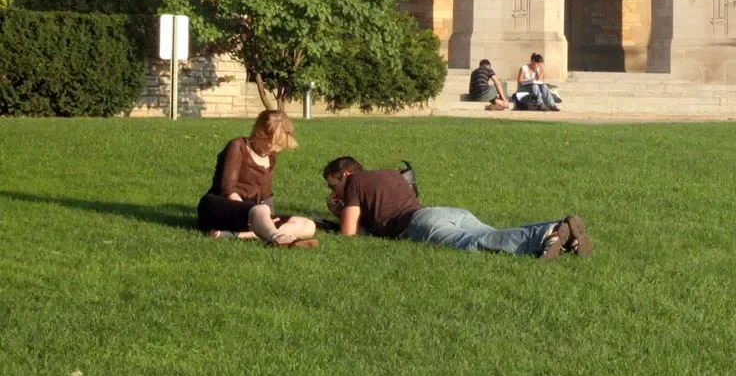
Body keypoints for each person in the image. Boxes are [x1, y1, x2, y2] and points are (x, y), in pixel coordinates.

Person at [321, 156, 592, 258]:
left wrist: (338, 212)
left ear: (344, 175)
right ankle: (562, 235)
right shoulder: (390, 174)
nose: (334, 193)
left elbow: (349, 234)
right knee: (494, 234)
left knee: (476, 244)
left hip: (419, 223)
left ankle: (548, 233)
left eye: (333, 186)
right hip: (445, 213)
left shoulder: (355, 181)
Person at [196, 109, 320, 248]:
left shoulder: (270, 158)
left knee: (308, 225)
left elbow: (266, 195)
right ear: (259, 132)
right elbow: (228, 190)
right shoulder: (238, 146)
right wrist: (252, 212)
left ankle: (239, 235)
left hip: (255, 214)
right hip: (221, 207)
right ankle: (278, 238)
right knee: (260, 210)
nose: (276, 149)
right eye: (273, 143)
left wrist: (269, 217)